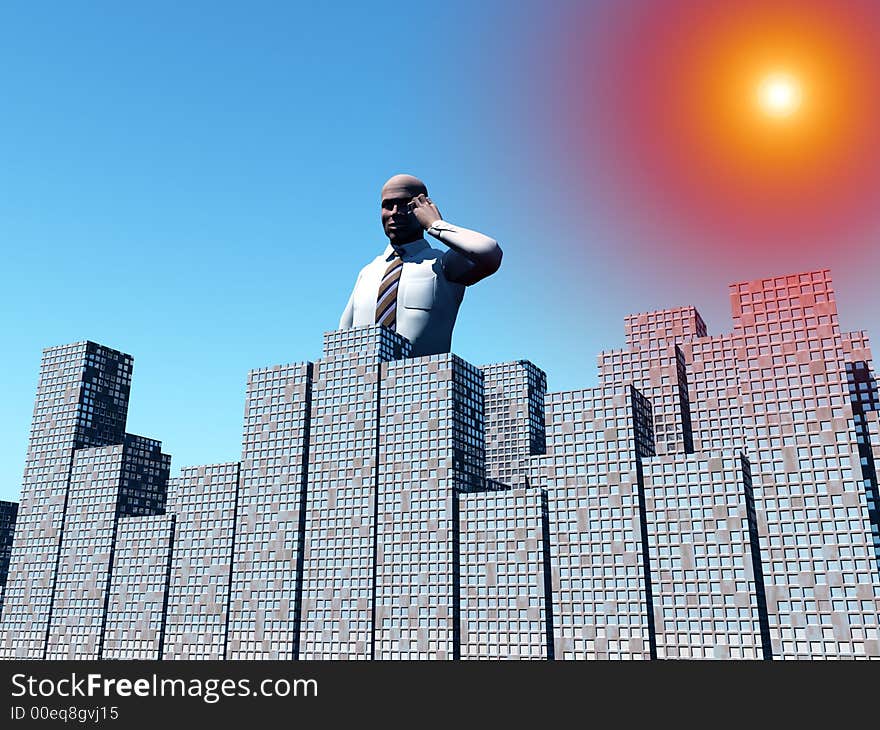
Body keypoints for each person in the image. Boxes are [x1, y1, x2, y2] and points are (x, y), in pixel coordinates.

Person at [339, 174, 502, 356]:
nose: (394, 212)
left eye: (405, 204)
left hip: (425, 382)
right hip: (363, 382)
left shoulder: (443, 265)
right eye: (388, 205)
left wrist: (436, 224)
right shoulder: (367, 273)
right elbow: (343, 337)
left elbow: (490, 253)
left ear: (424, 206)